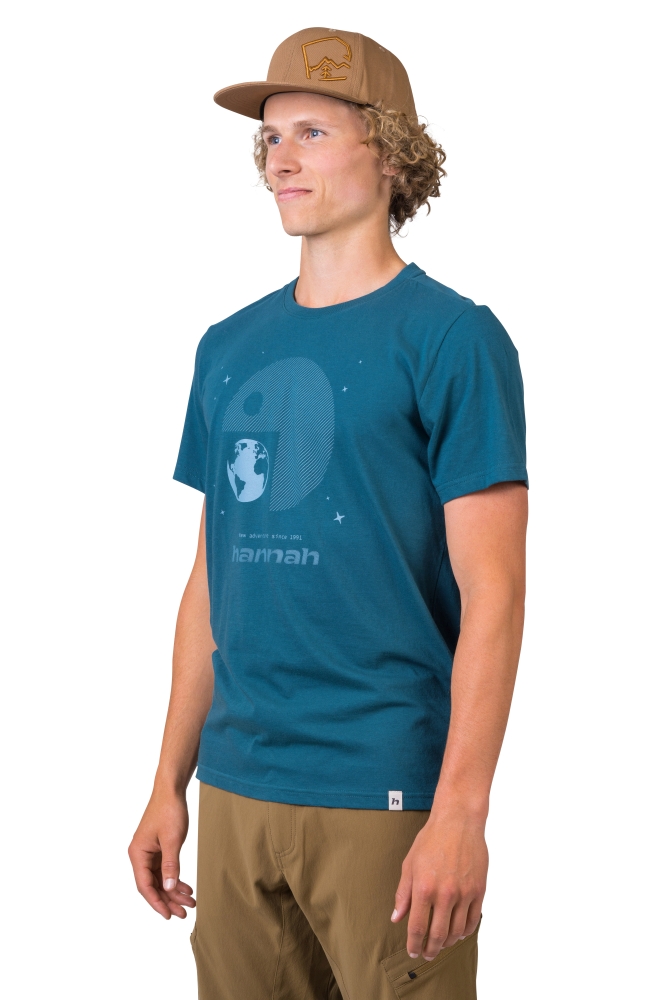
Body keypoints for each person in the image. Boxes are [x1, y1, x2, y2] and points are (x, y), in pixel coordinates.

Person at [128, 26, 528, 1000]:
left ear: (390, 153)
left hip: (381, 792)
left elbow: (495, 592)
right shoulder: (228, 345)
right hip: (237, 788)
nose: (279, 159)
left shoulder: (453, 339)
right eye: (270, 138)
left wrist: (460, 812)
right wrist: (167, 783)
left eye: (310, 132)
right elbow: (211, 581)